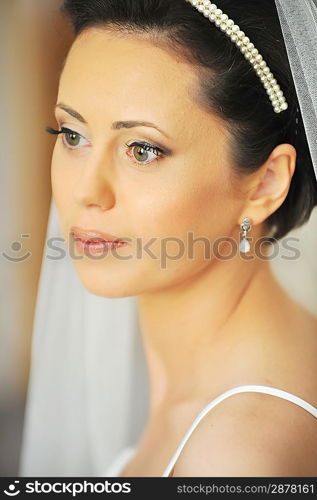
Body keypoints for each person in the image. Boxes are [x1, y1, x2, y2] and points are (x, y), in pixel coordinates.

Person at [44, 0, 317, 476]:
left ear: (266, 182)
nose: (87, 191)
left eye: (143, 150)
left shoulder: (238, 457)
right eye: (72, 135)